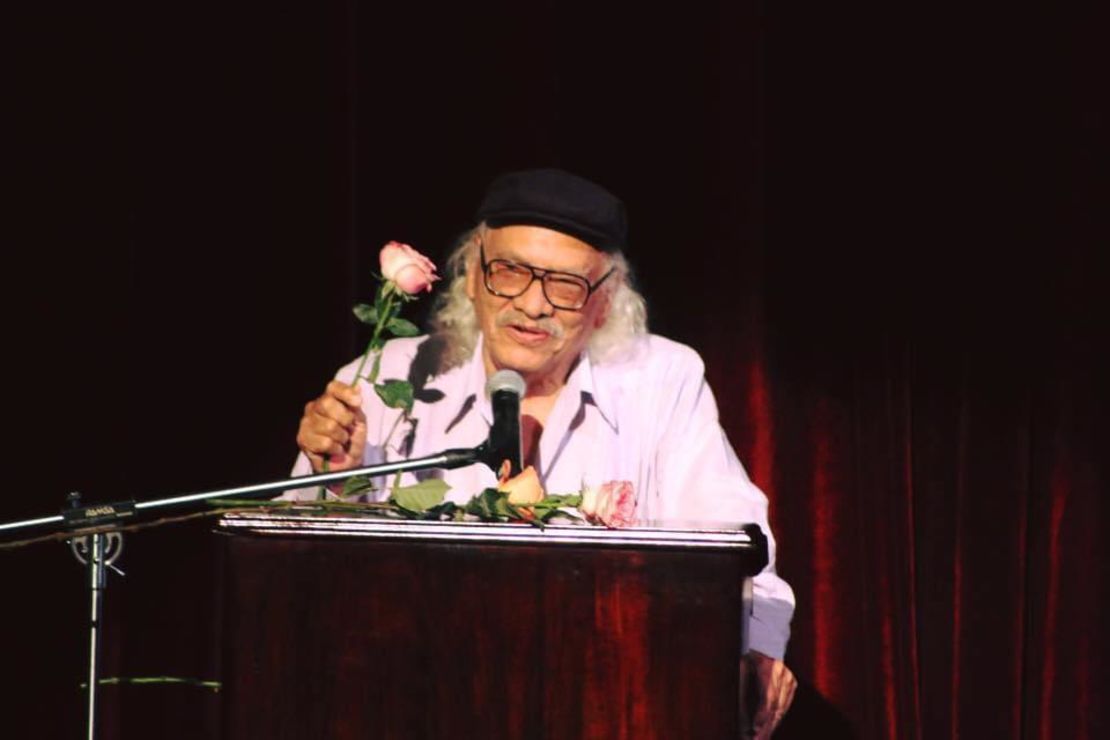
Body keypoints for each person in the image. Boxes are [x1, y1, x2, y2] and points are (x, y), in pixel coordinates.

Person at [292, 168, 797, 736]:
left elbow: (732, 538)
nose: (532, 305)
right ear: (473, 276)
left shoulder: (663, 379)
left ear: (604, 301)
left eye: (563, 285)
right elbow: (302, 585)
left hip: (611, 700)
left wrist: (755, 648)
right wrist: (335, 479)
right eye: (508, 272)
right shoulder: (386, 380)